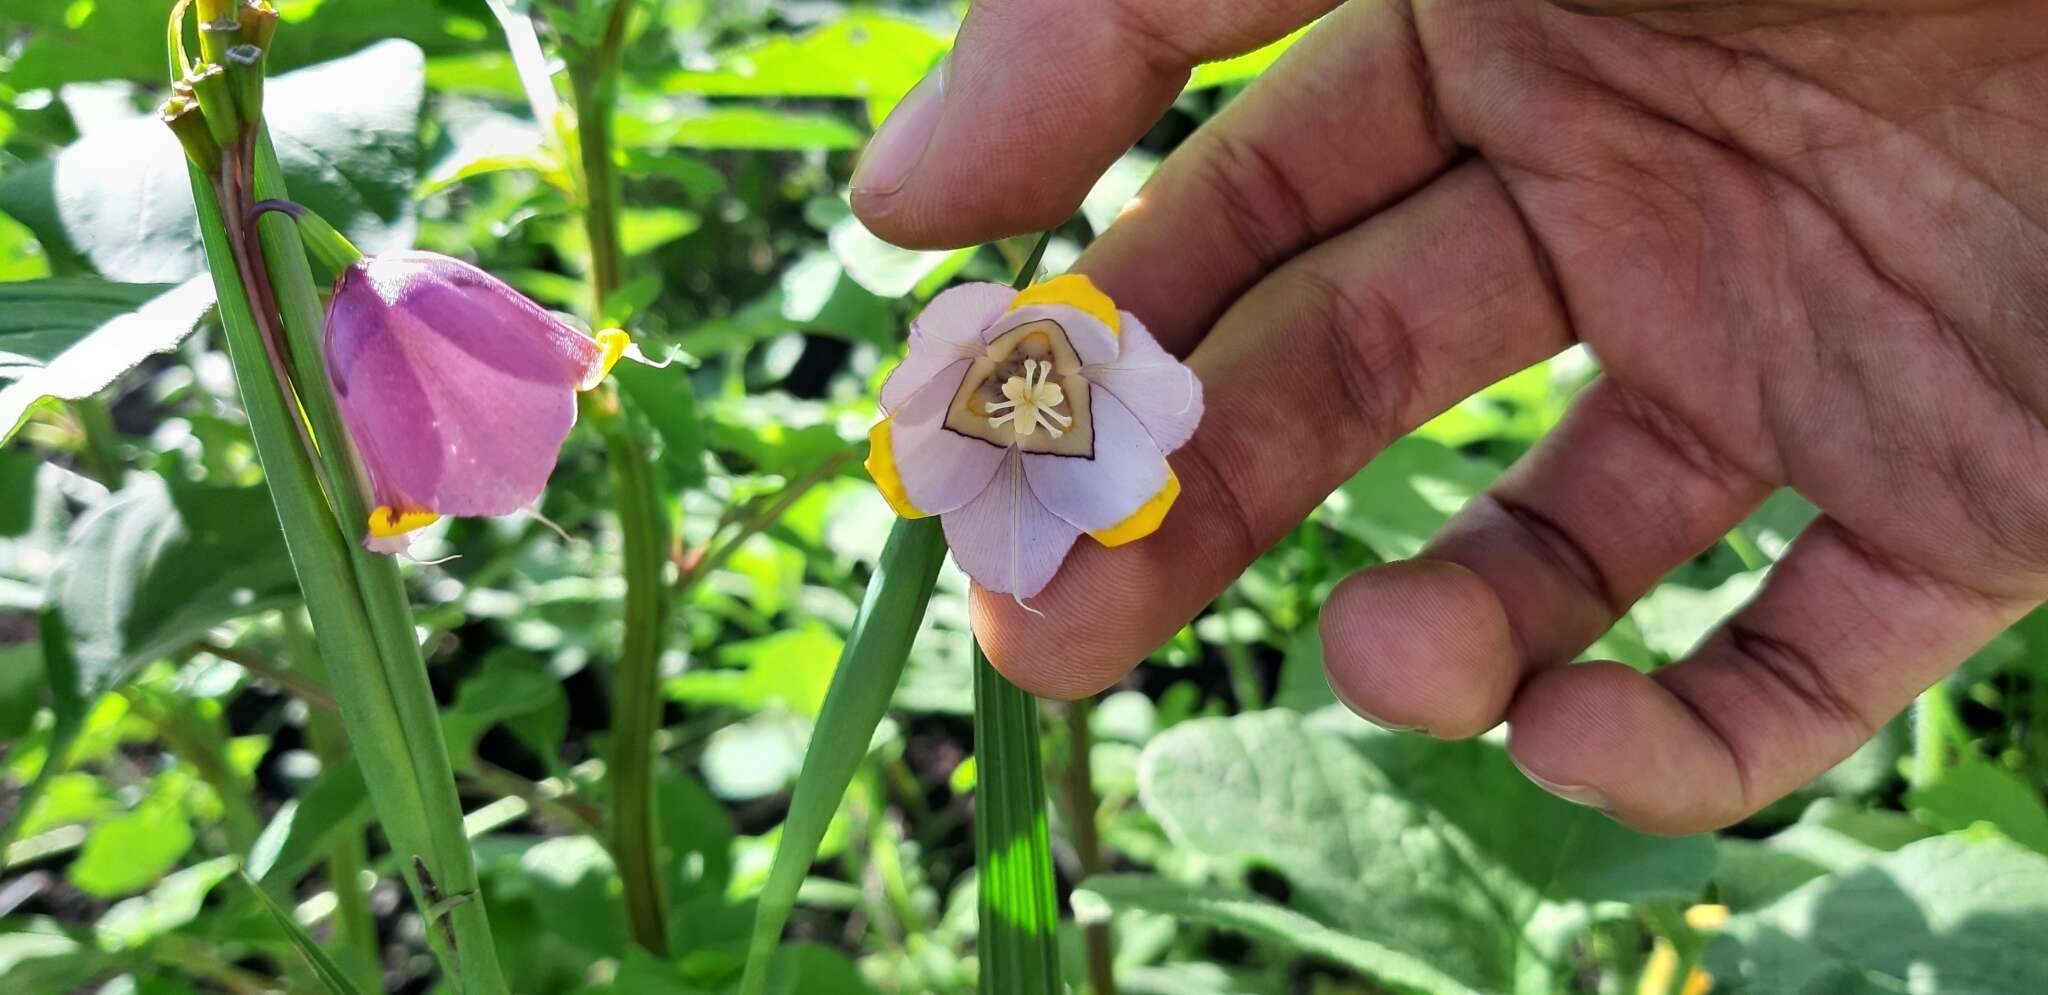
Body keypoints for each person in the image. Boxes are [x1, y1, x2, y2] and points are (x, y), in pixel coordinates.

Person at [847, 0, 2048, 835]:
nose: (1029, 392)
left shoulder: (1109, 376)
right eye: (1010, 392)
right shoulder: (1010, 398)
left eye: (1029, 374)